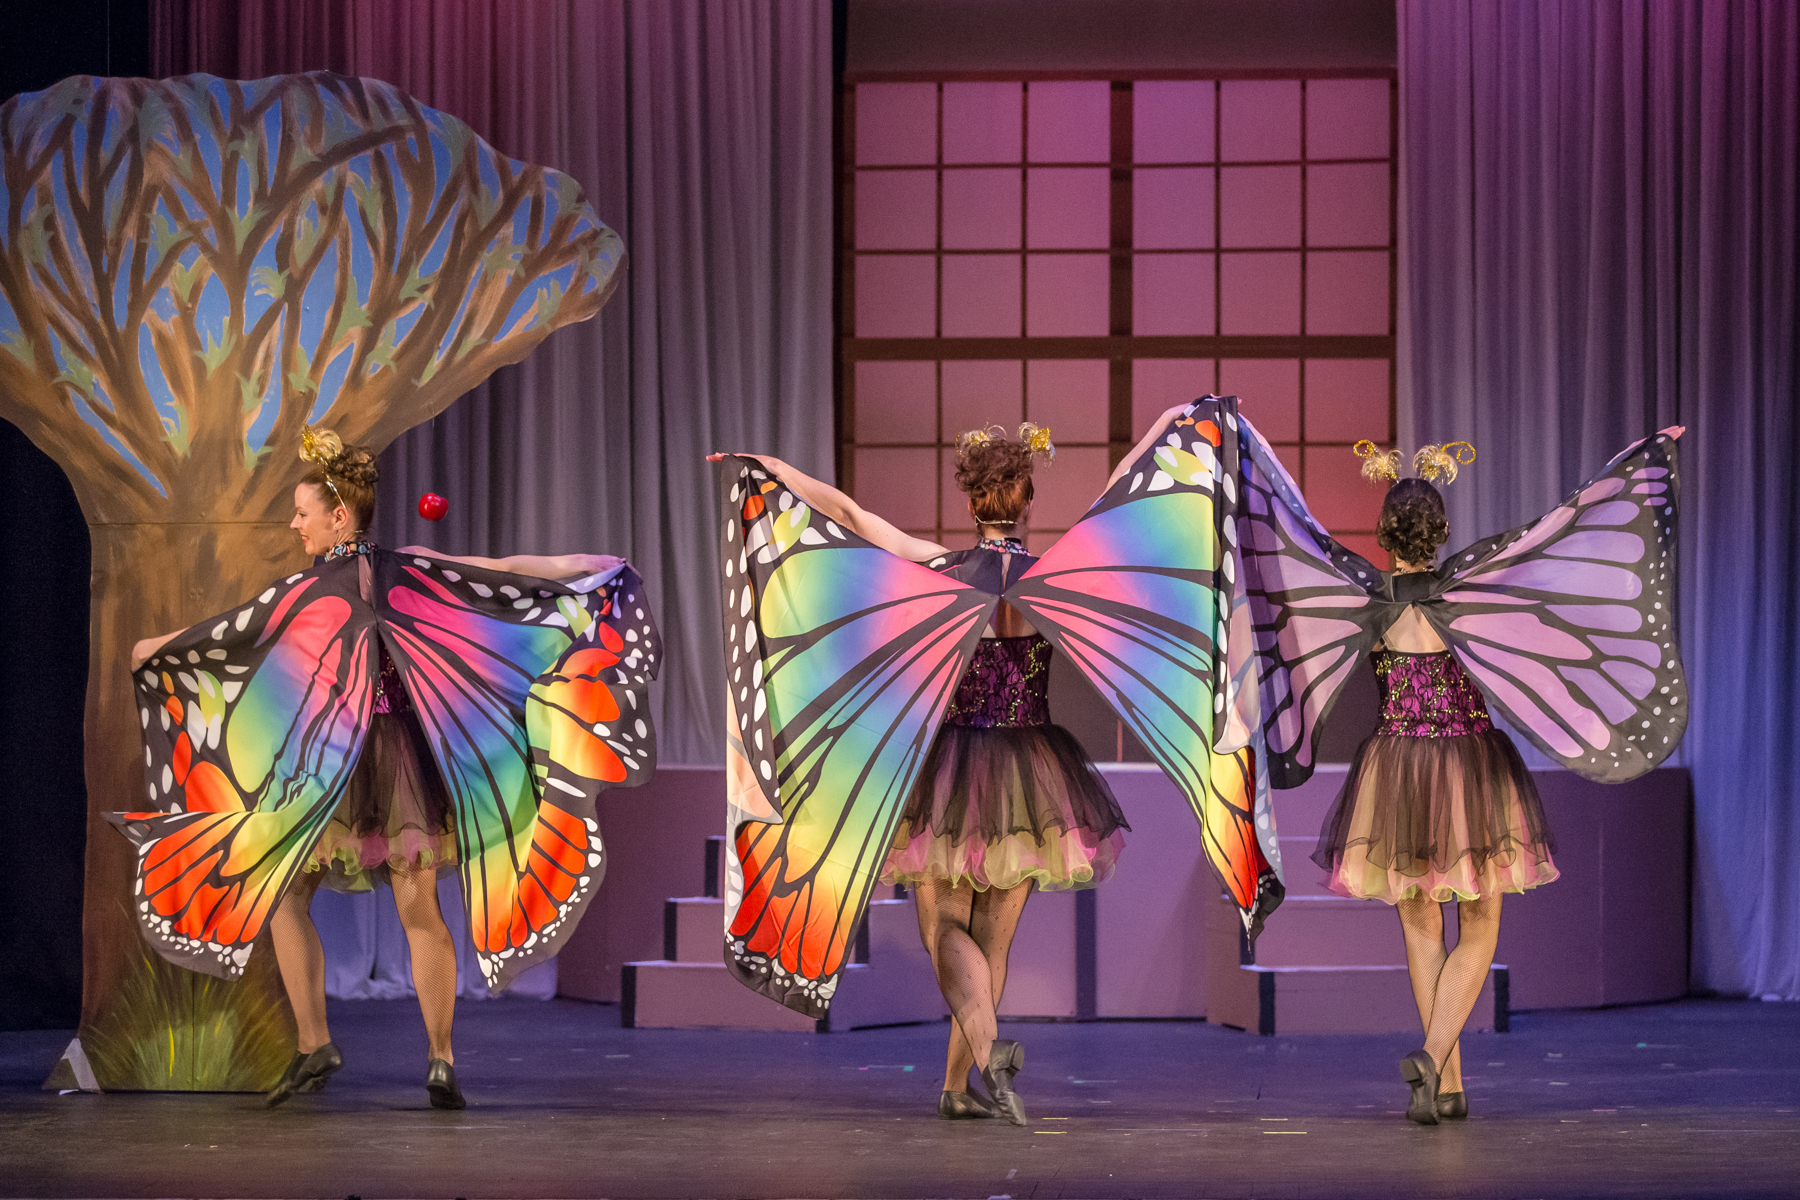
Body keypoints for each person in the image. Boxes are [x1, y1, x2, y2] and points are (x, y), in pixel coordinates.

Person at [128, 429, 624, 1110]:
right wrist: (586, 569)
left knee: (289, 897)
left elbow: (231, 632)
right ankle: (440, 1058)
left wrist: (156, 649)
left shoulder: (307, 590)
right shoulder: (408, 567)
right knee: (415, 905)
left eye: (302, 513)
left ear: (339, 517)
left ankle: (315, 1042)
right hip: (402, 761)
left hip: (336, 761)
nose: (294, 525)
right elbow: (502, 573)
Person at [710, 424, 1130, 1126]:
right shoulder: (1053, 582)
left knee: (944, 934)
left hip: (951, 771)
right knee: (993, 940)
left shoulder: (944, 569)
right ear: (1027, 502)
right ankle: (956, 1087)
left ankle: (985, 1056)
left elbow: (849, 515)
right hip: (1032, 772)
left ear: (971, 504)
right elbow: (1121, 530)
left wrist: (770, 467)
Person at [1310, 449, 1557, 1125]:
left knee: (1421, 924)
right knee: (1480, 922)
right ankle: (1435, 1060)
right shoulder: (1468, 601)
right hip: (1471, 768)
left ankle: (1446, 1083)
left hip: (1398, 772)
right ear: (1442, 533)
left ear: (1383, 536)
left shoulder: (1370, 609)